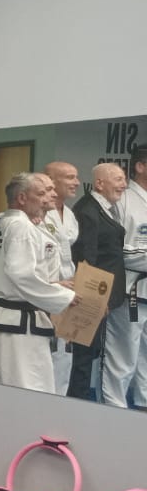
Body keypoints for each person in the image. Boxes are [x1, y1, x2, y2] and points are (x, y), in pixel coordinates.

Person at [0, 172, 79, 392]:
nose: (49, 197)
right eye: (42, 193)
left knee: (2, 389)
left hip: (2, 319)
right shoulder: (21, 227)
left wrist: (51, 286)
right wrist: (64, 296)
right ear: (22, 198)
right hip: (19, 325)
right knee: (29, 389)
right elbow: (21, 274)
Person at [69, 162, 127, 401]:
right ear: (100, 183)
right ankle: (77, 403)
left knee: (90, 353)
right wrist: (94, 299)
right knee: (82, 355)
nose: (124, 185)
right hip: (92, 295)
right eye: (119, 179)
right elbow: (86, 257)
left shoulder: (105, 208)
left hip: (104, 294)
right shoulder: (87, 211)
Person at [103, 152, 147, 407]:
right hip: (129, 291)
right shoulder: (123, 201)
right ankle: (114, 408)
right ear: (140, 166)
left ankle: (143, 405)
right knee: (123, 355)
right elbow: (114, 250)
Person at [43, 161, 81, 394]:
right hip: (46, 291)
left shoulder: (70, 214)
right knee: (46, 354)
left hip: (68, 290)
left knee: (65, 352)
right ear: (51, 180)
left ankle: (60, 400)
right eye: (70, 177)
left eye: (76, 177)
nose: (76, 182)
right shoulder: (38, 216)